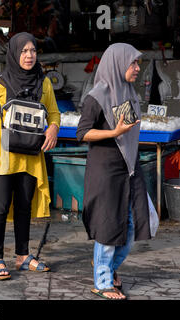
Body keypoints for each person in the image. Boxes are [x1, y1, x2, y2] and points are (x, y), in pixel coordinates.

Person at [0, 32, 60, 280]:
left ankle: (23, 255)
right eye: (24, 51)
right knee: (1, 205)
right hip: (2, 151)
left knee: (24, 205)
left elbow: (55, 114)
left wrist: (53, 128)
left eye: (33, 51)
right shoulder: (0, 83)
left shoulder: (43, 82)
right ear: (15, 53)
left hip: (29, 152)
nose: (29, 56)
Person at [76, 43, 151, 300]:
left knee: (131, 226)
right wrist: (114, 133)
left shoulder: (128, 91)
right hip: (106, 169)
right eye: (133, 63)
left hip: (129, 167)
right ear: (118, 63)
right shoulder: (98, 95)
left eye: (137, 63)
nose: (137, 68)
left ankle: (105, 268)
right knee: (108, 227)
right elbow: (82, 132)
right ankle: (103, 282)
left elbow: (128, 131)